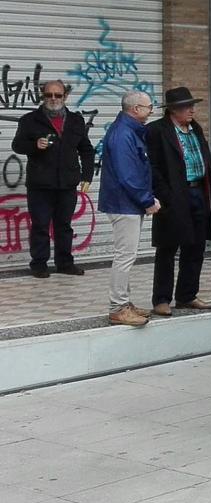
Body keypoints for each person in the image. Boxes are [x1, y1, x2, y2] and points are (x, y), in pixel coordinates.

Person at [146, 87, 211, 315]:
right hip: (173, 195)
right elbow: (152, 167)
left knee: (196, 246)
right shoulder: (157, 131)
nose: (191, 110)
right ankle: (161, 298)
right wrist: (165, 195)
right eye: (185, 106)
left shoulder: (195, 128)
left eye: (192, 105)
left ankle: (187, 295)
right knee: (167, 248)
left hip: (198, 191)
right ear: (172, 110)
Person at [11, 79, 96, 279]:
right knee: (40, 225)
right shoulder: (30, 120)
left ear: (65, 97)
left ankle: (65, 263)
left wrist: (87, 176)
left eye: (58, 95)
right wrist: (34, 145)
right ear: (43, 96)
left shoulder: (75, 120)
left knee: (64, 225)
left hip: (67, 183)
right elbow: (17, 145)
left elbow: (86, 150)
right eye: (49, 95)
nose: (53, 99)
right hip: (40, 183)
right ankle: (39, 265)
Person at [98, 91, 160, 324]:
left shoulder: (128, 130)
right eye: (148, 107)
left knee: (127, 254)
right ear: (135, 109)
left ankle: (124, 303)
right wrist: (147, 200)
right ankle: (117, 307)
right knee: (125, 256)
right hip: (124, 204)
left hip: (127, 203)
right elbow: (128, 175)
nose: (151, 110)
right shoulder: (123, 134)